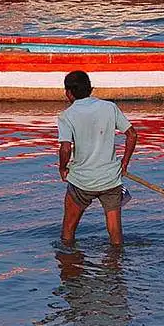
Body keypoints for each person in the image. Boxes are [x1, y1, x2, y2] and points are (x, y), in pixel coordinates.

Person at [57, 70, 137, 247]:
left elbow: (65, 148)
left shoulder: (66, 116)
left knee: (68, 232)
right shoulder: (110, 107)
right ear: (90, 89)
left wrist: (62, 169)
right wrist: (124, 163)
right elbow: (132, 134)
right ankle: (116, 269)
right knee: (116, 236)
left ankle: (69, 266)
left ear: (68, 93)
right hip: (110, 179)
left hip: (81, 181)